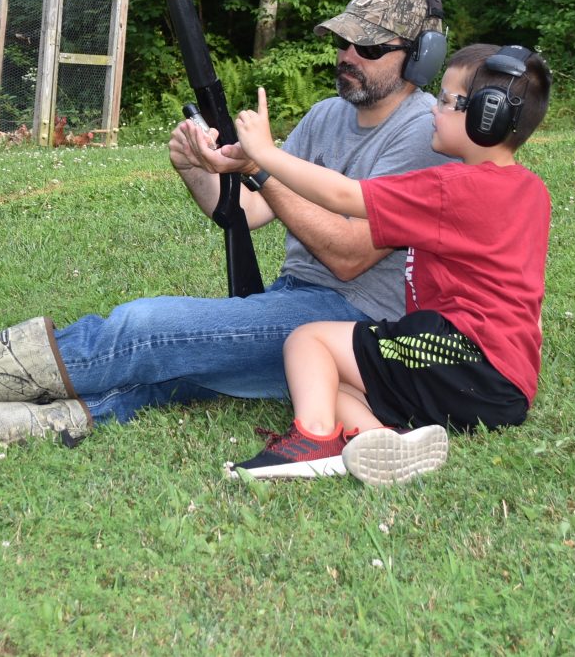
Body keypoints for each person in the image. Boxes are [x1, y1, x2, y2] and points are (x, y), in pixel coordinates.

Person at [0, 0, 457, 495]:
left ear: (421, 57)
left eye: (367, 47)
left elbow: (346, 257)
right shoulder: (323, 117)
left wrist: (263, 167)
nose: (347, 55)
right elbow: (247, 213)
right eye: (342, 39)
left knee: (139, 330)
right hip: (292, 308)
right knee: (152, 381)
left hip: (350, 326)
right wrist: (197, 169)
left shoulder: (422, 137)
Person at [226, 43, 552, 485]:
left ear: (484, 114)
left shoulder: (450, 187)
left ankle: (314, 438)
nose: (432, 111)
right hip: (505, 386)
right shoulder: (531, 190)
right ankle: (379, 440)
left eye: (444, 100)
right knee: (336, 379)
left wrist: (264, 156)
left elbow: (343, 196)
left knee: (308, 342)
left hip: (460, 353)